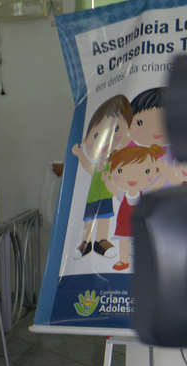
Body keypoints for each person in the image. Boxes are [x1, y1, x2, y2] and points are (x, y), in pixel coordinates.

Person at [70, 95, 132, 260]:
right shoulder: (97, 165)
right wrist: (79, 153)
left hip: (106, 196)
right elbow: (87, 167)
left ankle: (101, 241)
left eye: (115, 130)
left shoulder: (113, 162)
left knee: (104, 219)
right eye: (97, 135)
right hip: (93, 197)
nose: (105, 140)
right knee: (89, 219)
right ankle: (86, 242)